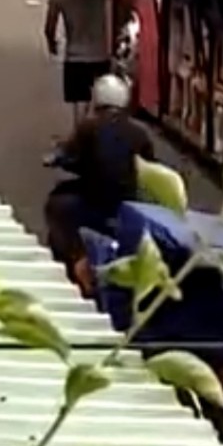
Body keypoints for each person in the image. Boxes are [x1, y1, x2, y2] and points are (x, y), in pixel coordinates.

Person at [43, 72, 156, 290]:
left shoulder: (88, 127)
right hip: (129, 204)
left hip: (93, 201)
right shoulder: (140, 132)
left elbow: (69, 156)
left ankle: (77, 259)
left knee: (56, 205)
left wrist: (55, 159)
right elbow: (151, 167)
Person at [45, 0, 122, 122]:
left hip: (75, 56)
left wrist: (52, 44)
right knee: (101, 100)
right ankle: (98, 134)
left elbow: (49, 27)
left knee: (80, 101)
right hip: (100, 54)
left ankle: (81, 135)